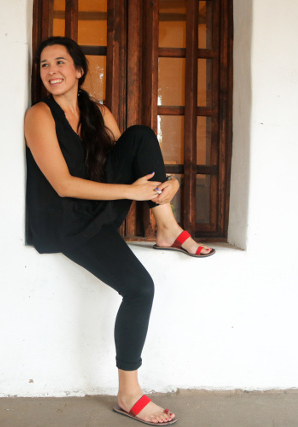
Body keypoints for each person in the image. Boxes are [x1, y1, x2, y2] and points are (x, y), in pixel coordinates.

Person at [24, 36, 215, 426]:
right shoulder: (39, 116)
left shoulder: (98, 112)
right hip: (67, 223)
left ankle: (166, 224)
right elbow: (63, 184)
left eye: (60, 62)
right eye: (44, 65)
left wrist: (166, 186)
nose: (51, 71)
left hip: (99, 210)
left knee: (142, 134)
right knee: (140, 288)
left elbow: (129, 161)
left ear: (79, 70)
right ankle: (129, 393)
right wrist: (134, 192)